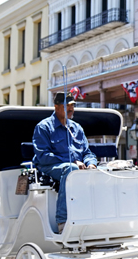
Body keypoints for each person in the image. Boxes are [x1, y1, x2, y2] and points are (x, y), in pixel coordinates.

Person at [33, 91, 97, 233]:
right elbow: (44, 156)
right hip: (49, 166)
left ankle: (98, 216)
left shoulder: (77, 128)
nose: (71, 109)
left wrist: (91, 163)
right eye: (67, 106)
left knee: (102, 172)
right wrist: (73, 161)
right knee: (71, 170)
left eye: (72, 105)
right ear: (56, 107)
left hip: (75, 166)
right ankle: (63, 220)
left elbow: (87, 152)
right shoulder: (43, 127)